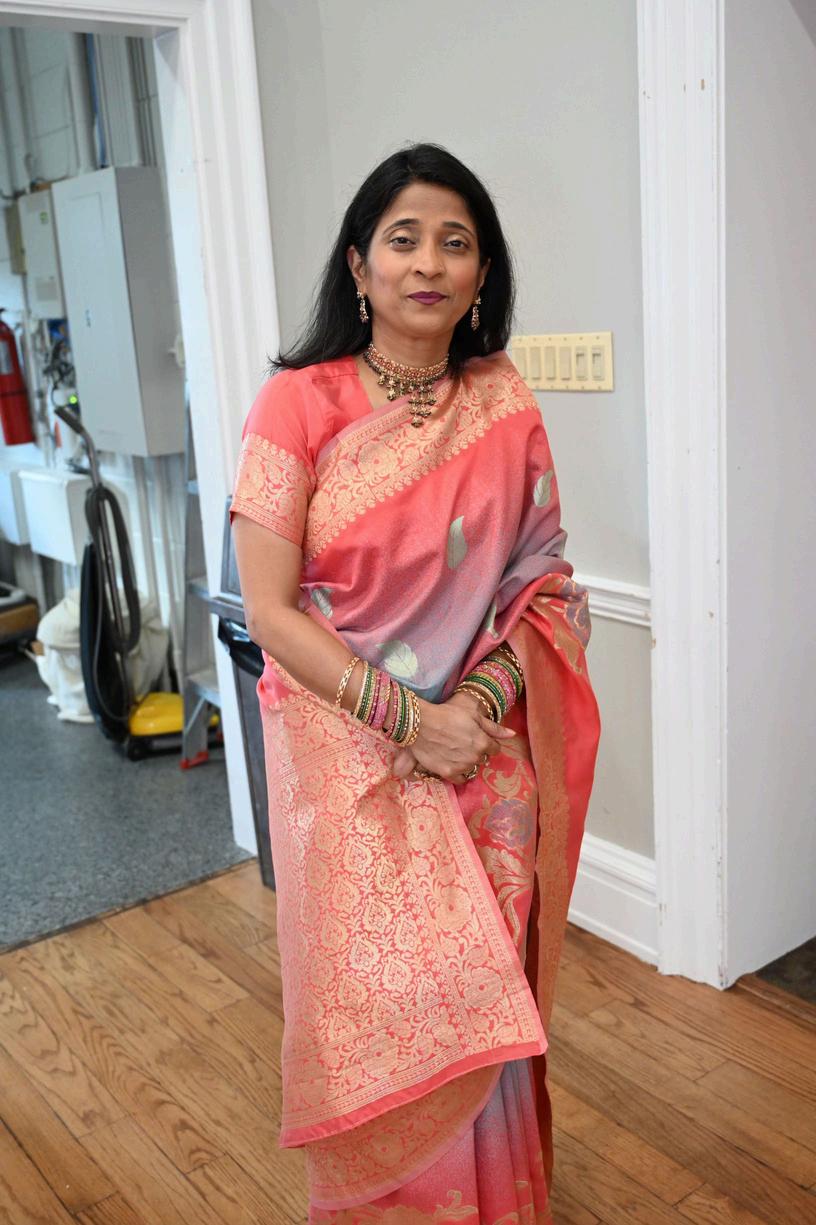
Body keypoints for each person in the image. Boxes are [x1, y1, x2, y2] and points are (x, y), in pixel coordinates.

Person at [230, 141, 601, 1224]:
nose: (429, 263)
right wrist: (408, 720)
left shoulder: (503, 401)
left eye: (456, 242)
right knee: (381, 1007)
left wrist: (470, 711)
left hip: (480, 758)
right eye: (403, 239)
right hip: (347, 761)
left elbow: (543, 583)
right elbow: (271, 611)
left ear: (483, 275)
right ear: (358, 265)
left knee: (480, 996)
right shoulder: (295, 405)